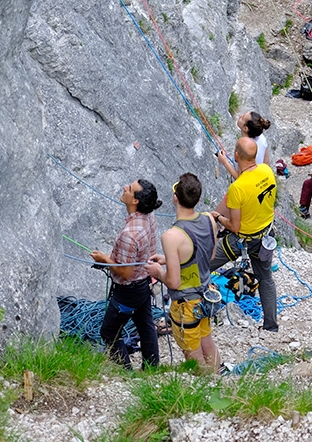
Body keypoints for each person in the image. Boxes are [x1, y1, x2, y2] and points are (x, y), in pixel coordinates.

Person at [146, 173, 219, 369]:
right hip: (205, 295)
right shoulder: (209, 220)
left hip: (186, 304)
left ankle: (204, 390)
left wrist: (157, 272)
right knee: (207, 343)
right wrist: (171, 260)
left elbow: (173, 282)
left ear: (175, 197)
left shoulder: (171, 236)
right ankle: (217, 384)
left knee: (192, 353)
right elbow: (209, 256)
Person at [91, 179, 162, 369]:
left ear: (135, 201)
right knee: (146, 324)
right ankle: (151, 368)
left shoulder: (129, 234)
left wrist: (104, 259)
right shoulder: (149, 217)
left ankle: (125, 372)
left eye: (129, 189)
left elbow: (125, 273)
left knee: (109, 331)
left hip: (128, 291)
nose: (124, 188)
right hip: (145, 282)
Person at [211, 137, 279, 332]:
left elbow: (234, 225)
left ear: (237, 155)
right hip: (265, 235)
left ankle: (194, 315)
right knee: (265, 278)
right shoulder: (266, 171)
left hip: (241, 240)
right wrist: (226, 163)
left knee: (202, 266)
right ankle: (271, 327)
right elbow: (246, 177)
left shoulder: (237, 189)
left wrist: (217, 217)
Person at [216, 112, 272, 180]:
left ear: (245, 128)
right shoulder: (262, 138)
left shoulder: (243, 148)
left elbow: (240, 178)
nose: (240, 116)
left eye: (242, 118)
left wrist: (224, 161)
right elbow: (267, 163)